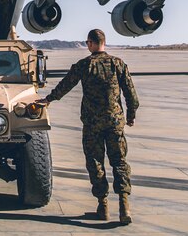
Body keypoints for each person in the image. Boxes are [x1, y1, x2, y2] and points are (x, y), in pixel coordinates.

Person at [39, 28, 139, 224]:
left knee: (95, 162)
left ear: (92, 43)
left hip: (93, 123)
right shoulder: (118, 64)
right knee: (119, 161)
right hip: (114, 122)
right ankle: (124, 205)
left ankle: (103, 206)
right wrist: (131, 115)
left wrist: (49, 99)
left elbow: (65, 85)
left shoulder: (84, 65)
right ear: (104, 42)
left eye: (87, 43)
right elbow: (131, 94)